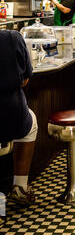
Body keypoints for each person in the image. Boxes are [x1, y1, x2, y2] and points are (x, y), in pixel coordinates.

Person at [0, 30, 38, 206]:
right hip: (11, 115)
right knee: (32, 122)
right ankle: (20, 187)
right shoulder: (12, 38)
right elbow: (25, 80)